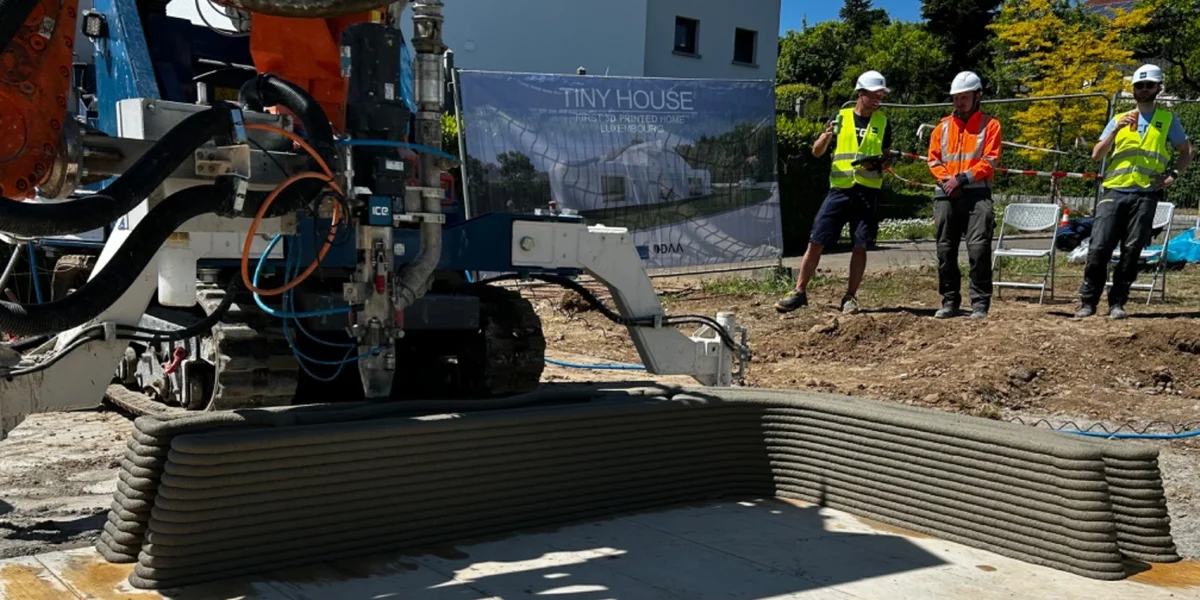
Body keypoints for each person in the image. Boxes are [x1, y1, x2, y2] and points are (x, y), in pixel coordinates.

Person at [1076, 64, 1193, 320]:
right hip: (1114, 191)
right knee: (1099, 247)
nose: (1144, 89)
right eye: (1139, 85)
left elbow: (1186, 151)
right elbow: (1096, 155)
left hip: (1146, 194)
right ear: (1133, 90)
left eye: (1149, 85)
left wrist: (1172, 176)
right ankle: (1088, 302)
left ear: (1158, 88)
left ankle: (1117, 303)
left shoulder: (1168, 120)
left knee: (1132, 251)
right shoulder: (1119, 118)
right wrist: (1115, 130)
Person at [775, 70, 892, 315]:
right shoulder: (840, 117)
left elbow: (887, 158)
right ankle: (799, 292)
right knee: (816, 240)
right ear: (861, 93)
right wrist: (826, 137)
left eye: (881, 95)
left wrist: (881, 164)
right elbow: (816, 151)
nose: (878, 99)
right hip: (839, 190)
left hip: (867, 193)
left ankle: (850, 297)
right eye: (874, 94)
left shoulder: (883, 122)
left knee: (860, 245)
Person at [927, 71, 1002, 319]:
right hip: (946, 194)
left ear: (977, 96)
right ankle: (950, 301)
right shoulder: (942, 127)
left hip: (977, 194)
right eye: (956, 98)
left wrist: (962, 179)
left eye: (964, 97)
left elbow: (990, 160)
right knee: (945, 250)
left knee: (978, 249)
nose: (959, 102)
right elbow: (933, 160)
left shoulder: (990, 125)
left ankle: (980, 303)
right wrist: (948, 181)